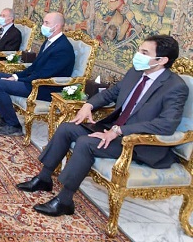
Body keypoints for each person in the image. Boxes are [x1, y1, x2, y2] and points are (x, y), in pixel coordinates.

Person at [17, 35, 187, 217]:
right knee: (67, 128)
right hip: (114, 129)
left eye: (144, 53)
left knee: (85, 143)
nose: (138, 55)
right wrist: (88, 105)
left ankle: (65, 201)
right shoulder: (136, 72)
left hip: (138, 143)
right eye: (139, 50)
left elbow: (166, 124)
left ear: (162, 60)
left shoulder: (175, 87)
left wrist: (119, 131)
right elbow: (111, 94)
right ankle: (44, 178)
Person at [0, 12, 75, 137]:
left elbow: (44, 74)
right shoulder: (49, 42)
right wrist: (16, 76)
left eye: (46, 23)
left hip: (45, 88)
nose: (43, 25)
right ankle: (4, 118)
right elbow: (34, 66)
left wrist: (19, 80)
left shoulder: (63, 48)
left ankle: (14, 125)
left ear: (56, 26)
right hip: (34, 81)